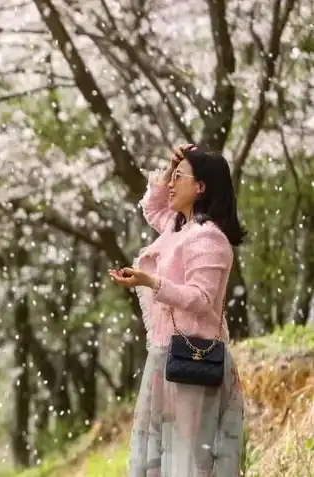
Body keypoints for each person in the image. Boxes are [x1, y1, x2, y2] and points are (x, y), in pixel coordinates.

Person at [109, 144, 245, 476]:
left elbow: (201, 300)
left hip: (194, 361)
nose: (170, 183)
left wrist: (152, 282)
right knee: (162, 459)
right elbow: (153, 207)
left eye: (179, 177)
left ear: (200, 188)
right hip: (167, 357)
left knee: (187, 461)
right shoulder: (178, 228)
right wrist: (172, 166)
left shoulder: (208, 239)